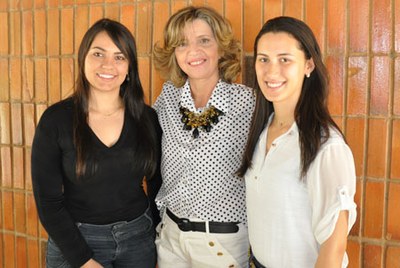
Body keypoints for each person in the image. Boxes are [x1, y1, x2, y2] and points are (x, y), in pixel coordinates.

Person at [31, 18, 161, 268]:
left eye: (119, 57)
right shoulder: (56, 120)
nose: (107, 65)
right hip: (76, 240)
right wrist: (83, 260)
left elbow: (156, 184)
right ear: (83, 59)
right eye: (98, 53)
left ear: (129, 67)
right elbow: (47, 202)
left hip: (138, 240)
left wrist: (154, 232)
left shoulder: (147, 118)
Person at [237, 16, 357, 267]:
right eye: (263, 59)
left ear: (308, 65)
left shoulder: (326, 146)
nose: (272, 71)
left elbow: (333, 249)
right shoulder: (261, 131)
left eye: (285, 60)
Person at [152, 6, 255, 268]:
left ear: (221, 48)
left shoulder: (247, 102)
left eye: (204, 41)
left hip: (221, 242)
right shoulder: (168, 97)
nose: (192, 51)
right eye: (182, 44)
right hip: (171, 239)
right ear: (174, 54)